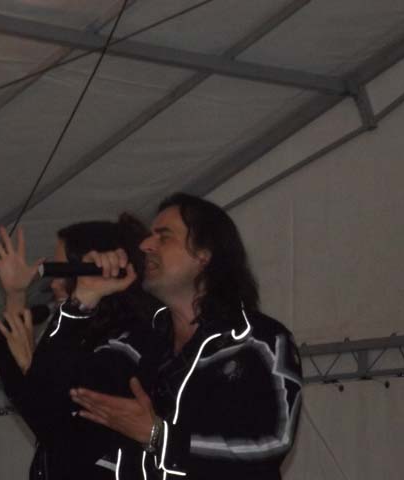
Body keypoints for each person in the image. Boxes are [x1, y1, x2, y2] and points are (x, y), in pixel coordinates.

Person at [70, 193, 303, 479]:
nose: (145, 245)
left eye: (163, 236)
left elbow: (272, 442)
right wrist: (81, 301)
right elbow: (60, 406)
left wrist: (159, 436)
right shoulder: (139, 342)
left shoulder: (260, 342)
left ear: (204, 254)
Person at [0, 215, 159, 480]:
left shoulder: (128, 342)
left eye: (62, 270)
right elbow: (28, 392)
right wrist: (15, 295)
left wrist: (30, 366)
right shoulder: (77, 334)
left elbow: (61, 431)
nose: (53, 282)